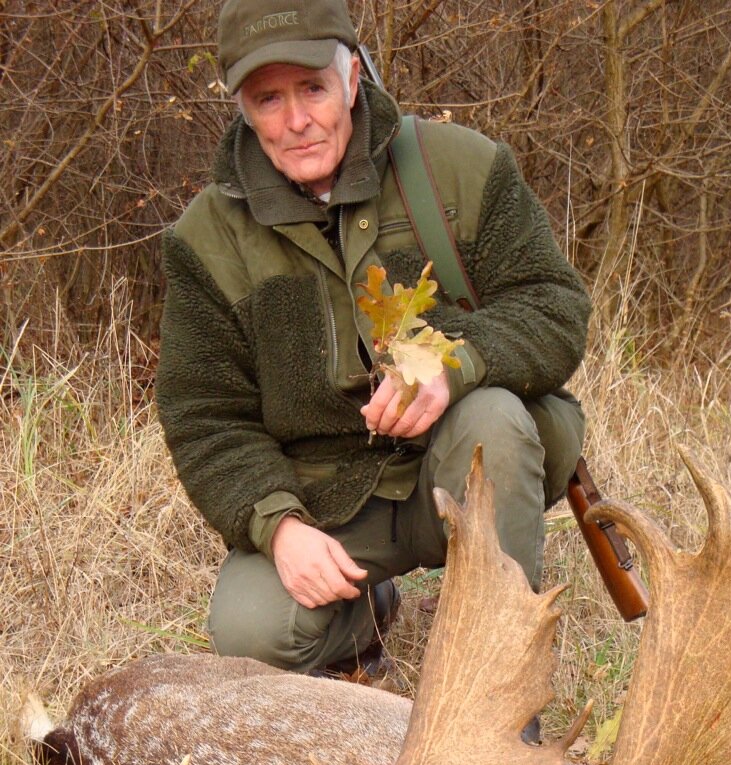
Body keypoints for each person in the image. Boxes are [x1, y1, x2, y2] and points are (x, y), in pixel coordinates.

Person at [156, 0, 590, 678]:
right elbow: (206, 419)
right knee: (250, 635)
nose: (296, 121)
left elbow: (554, 304)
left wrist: (458, 363)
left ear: (353, 78)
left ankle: (498, 683)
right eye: (268, 98)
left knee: (491, 421)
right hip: (327, 500)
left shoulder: (462, 168)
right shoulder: (204, 240)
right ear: (241, 106)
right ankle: (365, 615)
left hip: (463, 455)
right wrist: (281, 527)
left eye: (313, 88)